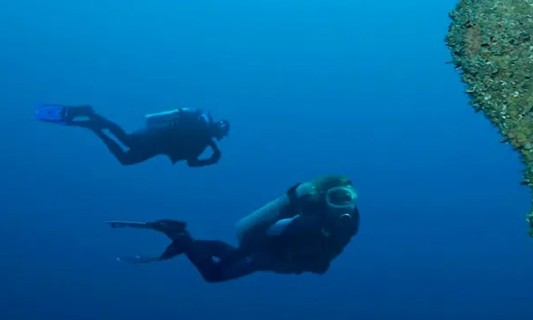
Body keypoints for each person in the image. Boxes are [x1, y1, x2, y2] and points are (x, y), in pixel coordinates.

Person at [110, 174, 361, 283]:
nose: (343, 204)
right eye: (336, 197)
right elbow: (278, 231)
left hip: (274, 256)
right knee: (214, 275)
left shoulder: (350, 219)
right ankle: (179, 235)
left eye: (347, 197)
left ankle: (182, 238)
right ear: (325, 198)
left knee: (229, 253)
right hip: (269, 252)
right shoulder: (313, 215)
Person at [34, 103, 229, 167]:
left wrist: (210, 160)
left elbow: (191, 162)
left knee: (125, 158)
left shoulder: (203, 142)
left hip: (158, 145)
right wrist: (210, 159)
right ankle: (91, 115)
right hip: (156, 137)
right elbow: (192, 162)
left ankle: (94, 125)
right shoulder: (201, 132)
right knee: (126, 140)